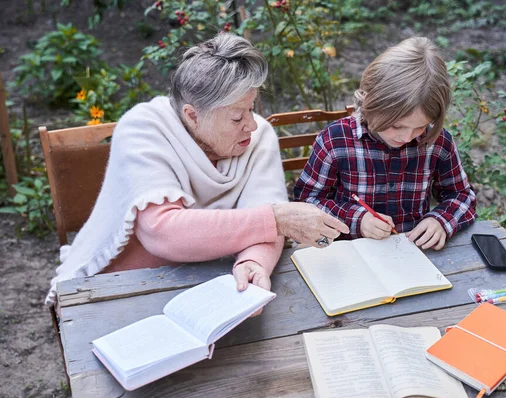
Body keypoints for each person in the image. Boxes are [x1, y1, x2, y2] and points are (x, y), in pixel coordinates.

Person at [45, 33, 349, 308]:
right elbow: (163, 233)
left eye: (251, 108)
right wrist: (276, 218)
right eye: (236, 117)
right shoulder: (143, 128)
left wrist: (255, 262)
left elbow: (267, 224)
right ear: (192, 115)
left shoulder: (258, 136)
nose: (252, 124)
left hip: (212, 282)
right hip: (126, 286)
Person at [294, 37, 476, 250]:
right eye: (397, 126)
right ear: (370, 101)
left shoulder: (436, 141)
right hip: (348, 254)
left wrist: (440, 220)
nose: (408, 137)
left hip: (412, 254)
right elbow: (307, 203)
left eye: (419, 126)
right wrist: (357, 220)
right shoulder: (336, 140)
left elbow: (462, 195)